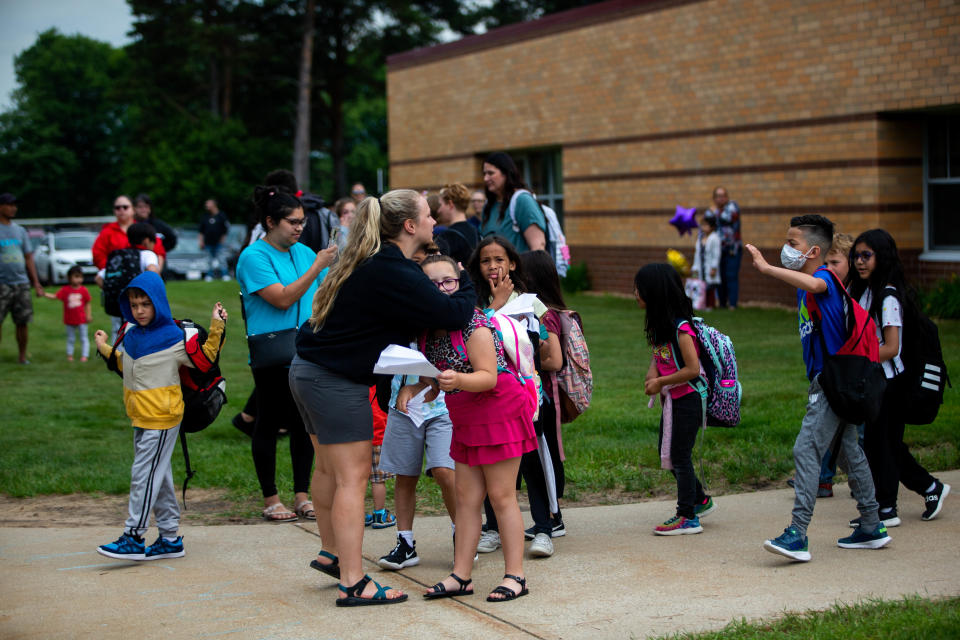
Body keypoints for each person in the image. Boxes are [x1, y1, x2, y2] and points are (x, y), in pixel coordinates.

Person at [289, 189, 475, 607]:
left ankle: (333, 554)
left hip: (306, 371)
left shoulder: (373, 263)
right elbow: (451, 313)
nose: (434, 222)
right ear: (410, 226)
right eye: (428, 216)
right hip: (333, 381)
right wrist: (464, 278)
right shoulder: (392, 270)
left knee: (328, 472)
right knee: (353, 480)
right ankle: (354, 582)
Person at [745, 215, 891, 562]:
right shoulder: (808, 284)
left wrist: (765, 269)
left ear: (812, 250)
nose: (786, 248)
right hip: (842, 381)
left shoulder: (823, 276)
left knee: (806, 449)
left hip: (832, 382)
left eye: (792, 243)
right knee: (848, 452)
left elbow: (817, 286)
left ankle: (797, 535)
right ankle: (872, 525)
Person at [411, 254, 536, 602]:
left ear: (459, 282)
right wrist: (418, 386)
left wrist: (456, 380)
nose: (442, 290)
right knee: (467, 500)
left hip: (498, 411)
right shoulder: (427, 327)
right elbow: (439, 375)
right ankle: (461, 575)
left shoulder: (473, 321)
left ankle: (516, 576)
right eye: (431, 284)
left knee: (501, 497)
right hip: (465, 414)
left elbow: (487, 376)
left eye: (448, 282)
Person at [93, 271, 226, 561]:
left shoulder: (174, 337)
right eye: (134, 304)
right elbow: (122, 362)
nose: (139, 310)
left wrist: (217, 325)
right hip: (140, 415)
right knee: (159, 474)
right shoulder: (130, 334)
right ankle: (169, 538)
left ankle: (134, 535)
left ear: (158, 303)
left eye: (146, 304)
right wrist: (102, 345)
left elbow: (205, 359)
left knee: (144, 474)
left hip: (163, 418)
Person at [236, 187, 337, 523]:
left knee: (301, 423)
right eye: (292, 222)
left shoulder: (304, 252)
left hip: (306, 348)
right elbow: (281, 298)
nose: (299, 228)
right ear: (270, 221)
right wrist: (317, 266)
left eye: (302, 222)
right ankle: (271, 498)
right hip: (272, 353)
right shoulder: (254, 257)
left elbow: (327, 290)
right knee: (267, 420)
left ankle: (301, 496)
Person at [849, 229, 950, 525]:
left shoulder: (888, 295)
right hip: (874, 382)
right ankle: (926, 488)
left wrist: (857, 358)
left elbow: (892, 348)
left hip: (891, 384)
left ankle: (886, 508)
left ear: (883, 257)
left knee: (883, 444)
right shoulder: (864, 291)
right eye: (856, 255)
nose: (859, 262)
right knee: (881, 444)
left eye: (866, 255)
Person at [634, 263, 715, 536]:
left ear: (655, 292)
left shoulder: (681, 327)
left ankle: (687, 516)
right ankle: (700, 499)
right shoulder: (660, 326)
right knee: (666, 452)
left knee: (679, 456)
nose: (635, 293)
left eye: (639, 288)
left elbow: (692, 369)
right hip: (674, 399)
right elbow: (661, 356)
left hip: (690, 398)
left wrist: (660, 382)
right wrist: (652, 372)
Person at [786, 232, 856, 496]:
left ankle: (822, 484)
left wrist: (767, 268)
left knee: (821, 442)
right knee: (844, 442)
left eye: (835, 263)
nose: (828, 269)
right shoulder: (807, 286)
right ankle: (870, 508)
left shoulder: (830, 287)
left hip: (839, 376)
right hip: (820, 372)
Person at [376, 365, 457, 571]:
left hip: (444, 407)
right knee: (404, 475)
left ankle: (464, 535)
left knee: (444, 470)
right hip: (403, 405)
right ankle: (405, 544)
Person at [518, 250, 569, 556]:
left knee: (545, 458)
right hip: (540, 394)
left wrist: (526, 360)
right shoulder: (545, 309)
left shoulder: (541, 312)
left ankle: (553, 517)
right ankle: (552, 514)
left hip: (543, 395)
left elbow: (554, 359)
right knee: (543, 457)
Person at [0, 193, 44, 364]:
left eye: (15, 205)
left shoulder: (20, 231)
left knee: (22, 322)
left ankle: (22, 357)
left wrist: (36, 283)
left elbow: (28, 257)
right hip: (2, 283)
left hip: (21, 283)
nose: (13, 208)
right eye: (9, 204)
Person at [480, 152, 546, 253]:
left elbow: (538, 248)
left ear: (506, 173)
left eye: (491, 173)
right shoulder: (488, 205)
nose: (486, 178)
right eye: (484, 174)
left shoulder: (522, 201)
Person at [92, 195, 167, 273]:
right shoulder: (107, 231)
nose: (121, 210)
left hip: (142, 273)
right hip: (116, 274)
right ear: (114, 211)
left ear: (133, 209)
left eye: (125, 207)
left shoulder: (143, 228)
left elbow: (159, 251)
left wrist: (156, 272)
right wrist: (113, 270)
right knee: (99, 277)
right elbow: (98, 255)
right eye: (118, 208)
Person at [42, 265, 92, 362]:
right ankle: (70, 355)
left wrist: (88, 315)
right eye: (76, 277)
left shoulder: (83, 290)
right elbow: (54, 296)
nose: (79, 279)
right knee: (71, 338)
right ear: (69, 278)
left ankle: (84, 355)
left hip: (81, 319)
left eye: (80, 277)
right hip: (69, 319)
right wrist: (44, 294)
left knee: (84, 338)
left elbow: (87, 303)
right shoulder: (65, 290)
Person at [703, 187, 741, 308]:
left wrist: (715, 213)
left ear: (727, 197)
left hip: (732, 249)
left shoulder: (732, 207)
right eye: (718, 196)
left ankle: (733, 304)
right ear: (714, 199)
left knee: (731, 276)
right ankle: (722, 304)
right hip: (717, 250)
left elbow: (728, 218)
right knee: (720, 277)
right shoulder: (710, 212)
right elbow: (705, 226)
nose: (721, 198)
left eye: (723, 195)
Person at [366, 386, 396, 529]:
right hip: (378, 438)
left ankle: (358, 514)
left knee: (355, 480)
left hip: (358, 439)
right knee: (378, 481)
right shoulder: (381, 387)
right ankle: (379, 514)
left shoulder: (358, 386)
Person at [434, 183, 480, 266]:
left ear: (450, 204)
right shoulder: (476, 230)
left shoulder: (447, 236)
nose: (439, 210)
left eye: (440, 205)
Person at [692, 216, 721, 309]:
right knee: (701, 285)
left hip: (709, 267)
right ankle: (701, 304)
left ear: (712, 226)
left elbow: (716, 254)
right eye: (702, 225)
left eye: (706, 225)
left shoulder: (715, 238)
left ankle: (710, 305)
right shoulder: (700, 237)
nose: (703, 227)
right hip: (701, 266)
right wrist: (695, 267)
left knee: (710, 286)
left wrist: (714, 268)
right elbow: (697, 254)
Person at [198, 199, 230, 281]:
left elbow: (226, 230)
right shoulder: (205, 216)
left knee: (221, 259)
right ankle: (209, 275)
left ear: (214, 205)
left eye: (208, 204)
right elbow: (201, 231)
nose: (206, 206)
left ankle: (225, 274)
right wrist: (201, 241)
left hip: (219, 242)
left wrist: (222, 240)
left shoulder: (221, 216)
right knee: (209, 260)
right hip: (208, 243)